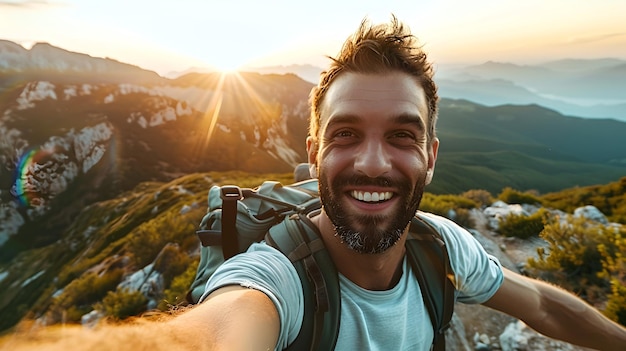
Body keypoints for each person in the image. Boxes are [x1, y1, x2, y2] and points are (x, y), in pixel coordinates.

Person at [5, 15, 626, 351]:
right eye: (346, 134)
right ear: (314, 152)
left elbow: (542, 305)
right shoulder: (278, 279)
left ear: (432, 157)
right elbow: (216, 333)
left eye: (403, 136)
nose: (374, 163)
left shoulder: (443, 247)